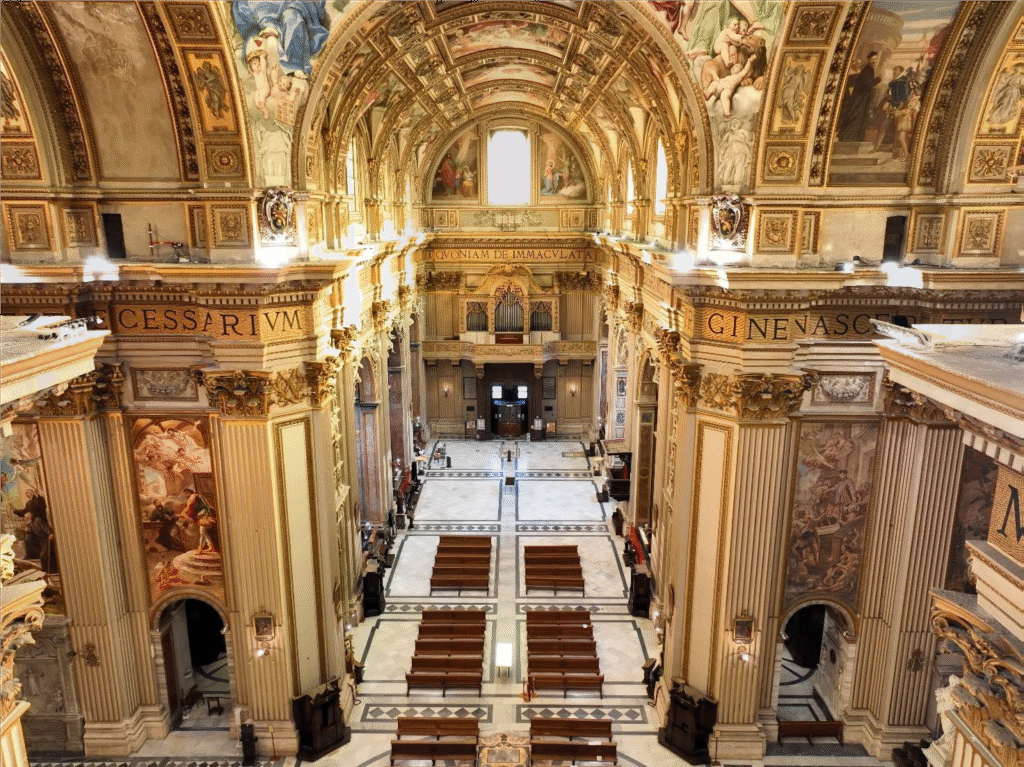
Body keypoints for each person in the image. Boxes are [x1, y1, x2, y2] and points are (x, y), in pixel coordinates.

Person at [838, 51, 881, 143]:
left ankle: (852, 138)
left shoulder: (869, 69)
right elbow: (867, 84)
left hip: (861, 98)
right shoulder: (867, 70)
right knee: (856, 116)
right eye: (872, 59)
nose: (874, 61)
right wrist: (878, 79)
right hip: (860, 99)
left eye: (875, 59)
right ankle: (849, 138)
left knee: (858, 117)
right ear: (869, 59)